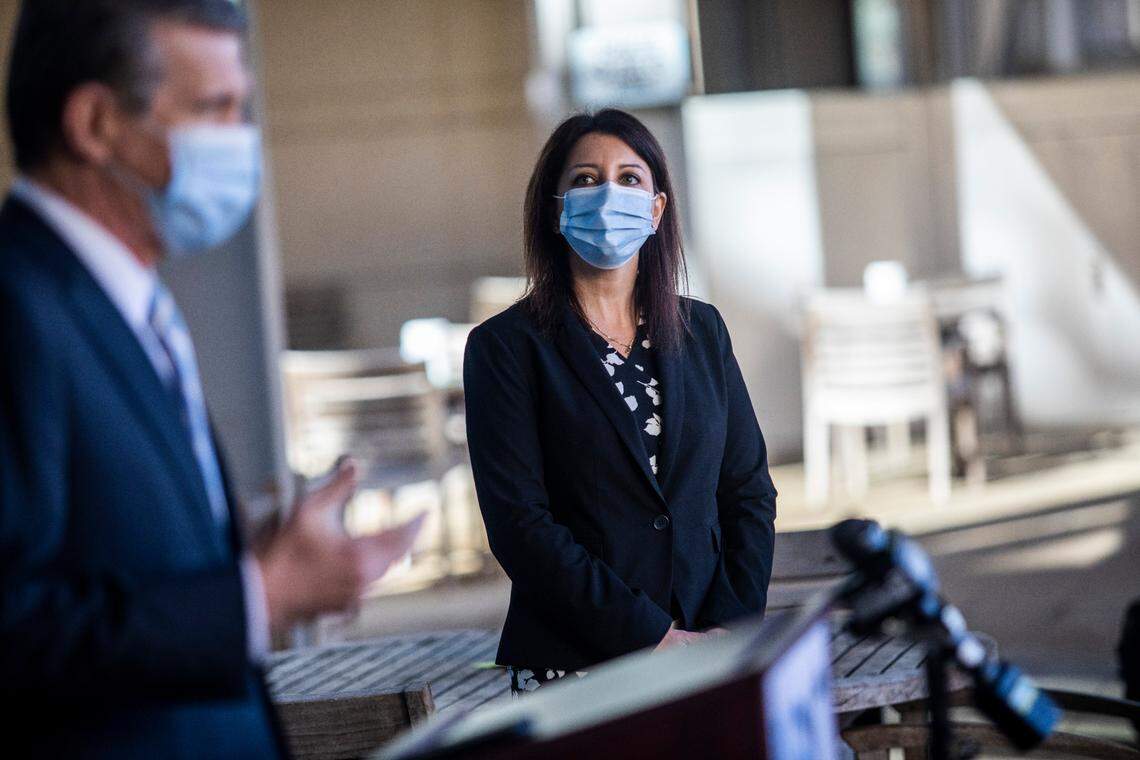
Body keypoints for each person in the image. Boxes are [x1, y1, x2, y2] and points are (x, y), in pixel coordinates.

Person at [0, 1, 421, 755]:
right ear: (95, 123)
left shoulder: (126, 300)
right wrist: (262, 596)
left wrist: (243, 558)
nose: (242, 141)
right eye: (214, 108)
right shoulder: (18, 307)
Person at [463, 109, 777, 695]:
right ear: (554, 208)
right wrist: (652, 636)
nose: (608, 192)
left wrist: (726, 630)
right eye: (585, 179)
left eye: (629, 178)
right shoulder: (504, 348)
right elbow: (520, 526)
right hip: (576, 666)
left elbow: (748, 491)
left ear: (657, 208)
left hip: (711, 654)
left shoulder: (702, 330)